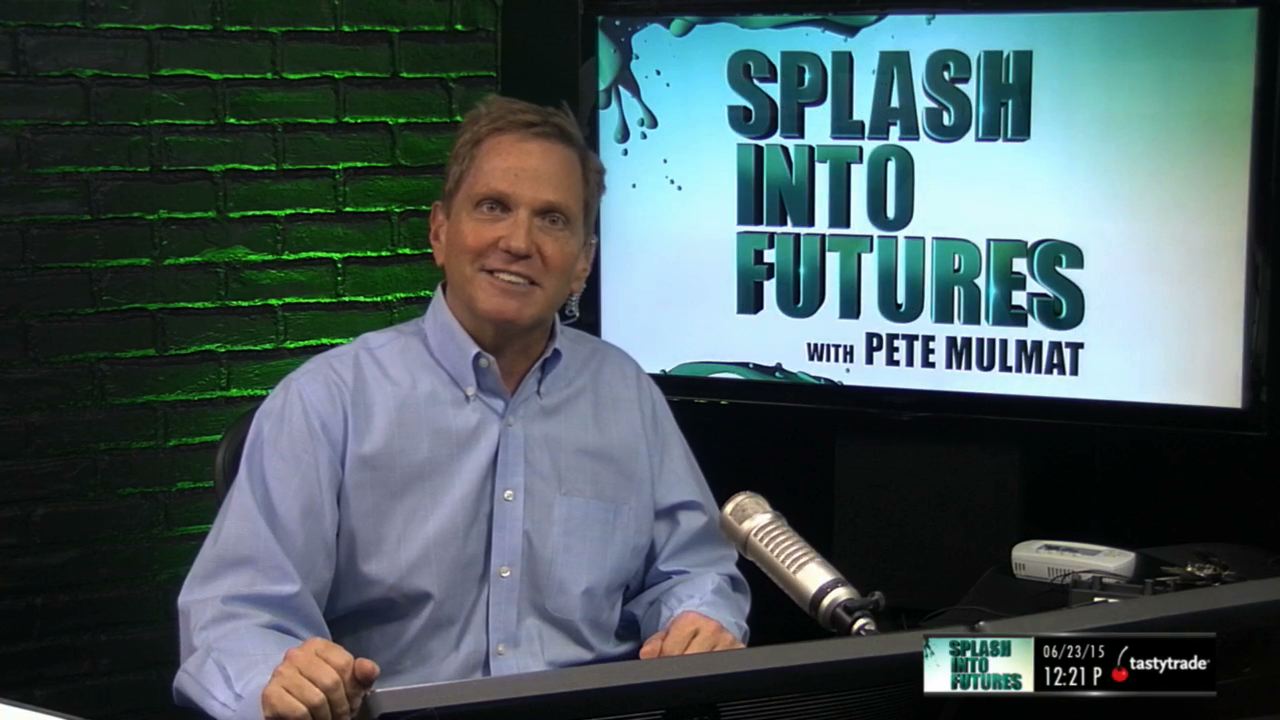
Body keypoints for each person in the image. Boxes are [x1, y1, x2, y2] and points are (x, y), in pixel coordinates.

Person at [173, 95, 751, 720]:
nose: (518, 241)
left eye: (552, 219)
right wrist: (278, 680)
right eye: (493, 207)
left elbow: (693, 570)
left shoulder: (625, 393)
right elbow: (236, 617)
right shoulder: (326, 401)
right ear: (440, 232)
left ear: (582, 263)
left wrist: (700, 618)